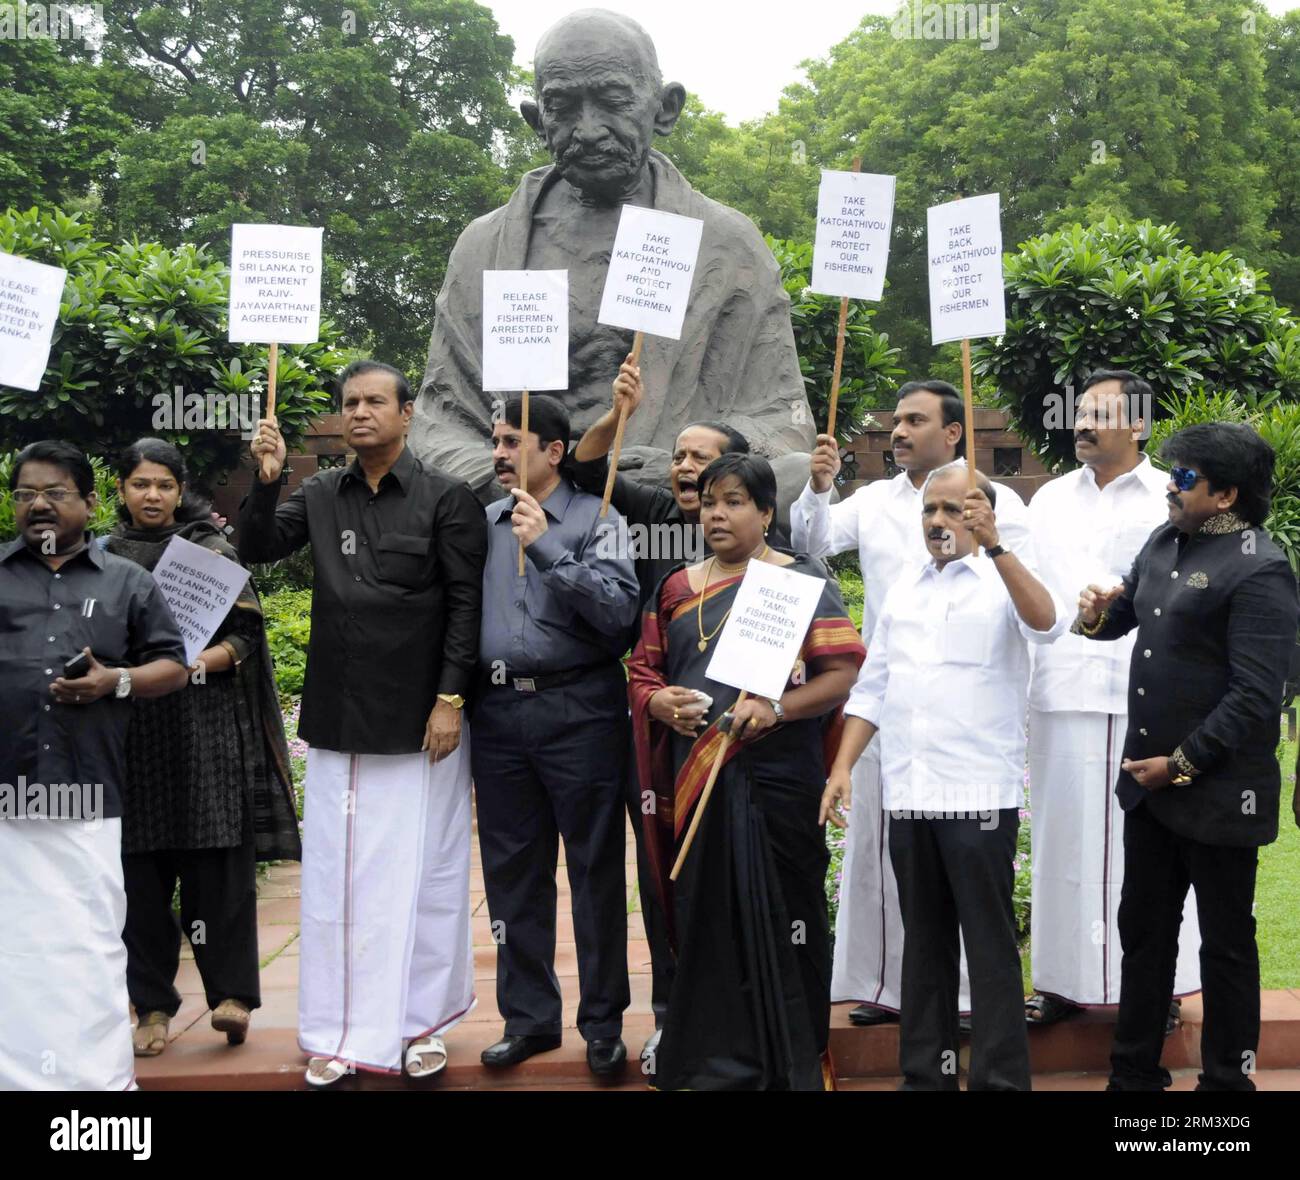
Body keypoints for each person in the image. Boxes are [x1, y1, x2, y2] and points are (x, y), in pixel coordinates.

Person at [410, 8, 814, 509]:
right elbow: (437, 426)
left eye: (613, 100)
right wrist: (533, 474)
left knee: (799, 476)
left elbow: (786, 420)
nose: (588, 129)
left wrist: (688, 457)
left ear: (664, 109)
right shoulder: (485, 247)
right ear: (538, 120)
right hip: (524, 500)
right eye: (562, 106)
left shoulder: (726, 242)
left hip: (667, 504)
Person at [240, 360, 486, 1086]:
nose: (360, 413)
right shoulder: (319, 492)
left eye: (376, 401)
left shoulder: (447, 498)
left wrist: (451, 700)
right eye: (350, 403)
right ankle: (339, 1031)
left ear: (406, 413)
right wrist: (265, 477)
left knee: (426, 877)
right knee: (339, 883)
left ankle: (421, 1024)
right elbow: (256, 546)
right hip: (341, 716)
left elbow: (466, 606)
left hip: (422, 724)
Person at [790, 379, 1029, 1026]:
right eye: (894, 421)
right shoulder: (870, 501)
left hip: (970, 720)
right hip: (885, 702)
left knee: (973, 888)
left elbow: (1036, 608)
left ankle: (972, 1002)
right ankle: (892, 989)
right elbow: (811, 542)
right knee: (881, 854)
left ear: (953, 433)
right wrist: (817, 487)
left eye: (913, 421)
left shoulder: (995, 504)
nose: (896, 431)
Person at [822, 464, 1067, 1091]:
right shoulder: (906, 585)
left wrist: (999, 546)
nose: (938, 522)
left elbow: (1048, 622)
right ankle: (923, 1077)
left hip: (979, 795)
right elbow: (873, 686)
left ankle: (1001, 1082)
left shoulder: (1002, 578)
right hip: (909, 793)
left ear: (983, 516)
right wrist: (844, 765)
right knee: (922, 947)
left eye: (954, 510)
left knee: (988, 947)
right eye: (930, 510)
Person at [628, 452, 864, 1090]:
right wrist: (657, 701)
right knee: (707, 908)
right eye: (709, 503)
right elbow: (643, 668)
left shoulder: (799, 581)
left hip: (775, 777)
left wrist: (779, 709)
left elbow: (842, 672)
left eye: (734, 502)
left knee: (787, 910)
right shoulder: (677, 587)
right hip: (695, 775)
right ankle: (712, 1059)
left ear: (766, 512)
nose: (717, 514)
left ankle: (793, 1055)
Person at [1075, 422, 1299, 1092]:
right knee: (1143, 934)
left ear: (1226, 494)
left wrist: (1182, 763)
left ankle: (1228, 1086)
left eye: (1182, 477)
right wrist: (1096, 612)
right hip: (1151, 789)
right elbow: (1126, 616)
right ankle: (1133, 1076)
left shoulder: (1262, 567)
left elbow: (1260, 692)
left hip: (1221, 791)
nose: (1168, 487)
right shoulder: (1166, 540)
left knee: (1226, 943)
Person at [570, 352, 751, 1062]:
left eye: (701, 459)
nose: (684, 468)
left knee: (731, 875)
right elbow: (586, 471)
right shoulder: (647, 510)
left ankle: (741, 1011)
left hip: (735, 736)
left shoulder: (766, 546)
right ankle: (673, 1016)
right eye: (678, 455)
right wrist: (618, 414)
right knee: (660, 872)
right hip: (653, 728)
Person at [0, 441, 188, 1090]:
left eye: (54, 492)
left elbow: (174, 665)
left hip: (85, 795)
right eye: (25, 494)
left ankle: (96, 1087)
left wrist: (117, 682)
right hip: (7, 797)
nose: (39, 505)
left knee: (88, 947)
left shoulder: (126, 583)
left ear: (88, 502)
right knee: (14, 949)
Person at [105, 438, 301, 1058]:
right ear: (121, 490)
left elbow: (248, 634)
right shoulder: (101, 559)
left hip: (206, 728)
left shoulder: (208, 550)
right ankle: (154, 1006)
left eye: (163, 484)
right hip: (132, 736)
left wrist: (189, 665)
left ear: (179, 488)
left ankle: (232, 997)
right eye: (140, 484)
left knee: (218, 868)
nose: (153, 496)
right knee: (139, 878)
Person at [1024, 372, 1200, 1027]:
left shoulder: (1174, 496)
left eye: (1099, 412)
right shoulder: (1045, 502)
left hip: (1146, 696)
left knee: (1152, 848)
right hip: (1062, 690)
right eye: (1078, 411)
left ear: (1141, 425)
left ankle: (1165, 988)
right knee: (1062, 843)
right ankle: (1063, 984)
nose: (1082, 423)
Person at [472, 394, 640, 1077]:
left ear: (554, 452)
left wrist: (543, 545)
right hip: (499, 716)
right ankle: (529, 1018)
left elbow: (619, 612)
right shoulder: (479, 522)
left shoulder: (600, 518)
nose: (499, 453)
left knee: (595, 870)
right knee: (512, 874)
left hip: (580, 709)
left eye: (513, 441)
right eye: (496, 440)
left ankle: (602, 1024)